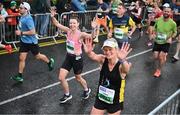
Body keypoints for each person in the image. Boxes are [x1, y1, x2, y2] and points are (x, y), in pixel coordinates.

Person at [50, 8, 93, 103]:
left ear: (78, 24)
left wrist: (94, 28)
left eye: (74, 23)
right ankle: (67, 94)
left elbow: (91, 36)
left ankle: (87, 89)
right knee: (61, 77)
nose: (72, 25)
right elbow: (57, 24)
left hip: (77, 59)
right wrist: (52, 16)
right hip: (69, 57)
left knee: (78, 78)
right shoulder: (68, 31)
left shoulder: (81, 34)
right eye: (70, 23)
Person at [83, 38, 132, 115]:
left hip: (115, 101)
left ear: (116, 50)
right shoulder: (103, 59)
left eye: (110, 49)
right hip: (101, 98)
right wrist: (89, 52)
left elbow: (126, 70)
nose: (108, 52)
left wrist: (123, 60)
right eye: (105, 50)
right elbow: (94, 56)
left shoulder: (120, 65)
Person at [11, 2, 55, 82]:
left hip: (31, 42)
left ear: (26, 10)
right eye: (19, 7)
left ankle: (49, 62)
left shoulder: (28, 19)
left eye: (21, 8)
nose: (19, 9)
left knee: (38, 56)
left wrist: (21, 33)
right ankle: (20, 76)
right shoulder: (22, 16)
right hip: (24, 42)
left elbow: (33, 32)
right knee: (21, 58)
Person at [150, 5, 177, 77]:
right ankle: (163, 56)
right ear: (163, 12)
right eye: (165, 11)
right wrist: (153, 34)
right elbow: (155, 28)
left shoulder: (173, 23)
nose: (166, 13)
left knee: (161, 57)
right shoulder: (158, 20)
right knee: (155, 57)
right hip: (157, 41)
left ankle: (159, 70)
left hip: (166, 42)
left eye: (168, 12)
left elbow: (175, 32)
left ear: (170, 13)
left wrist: (171, 37)